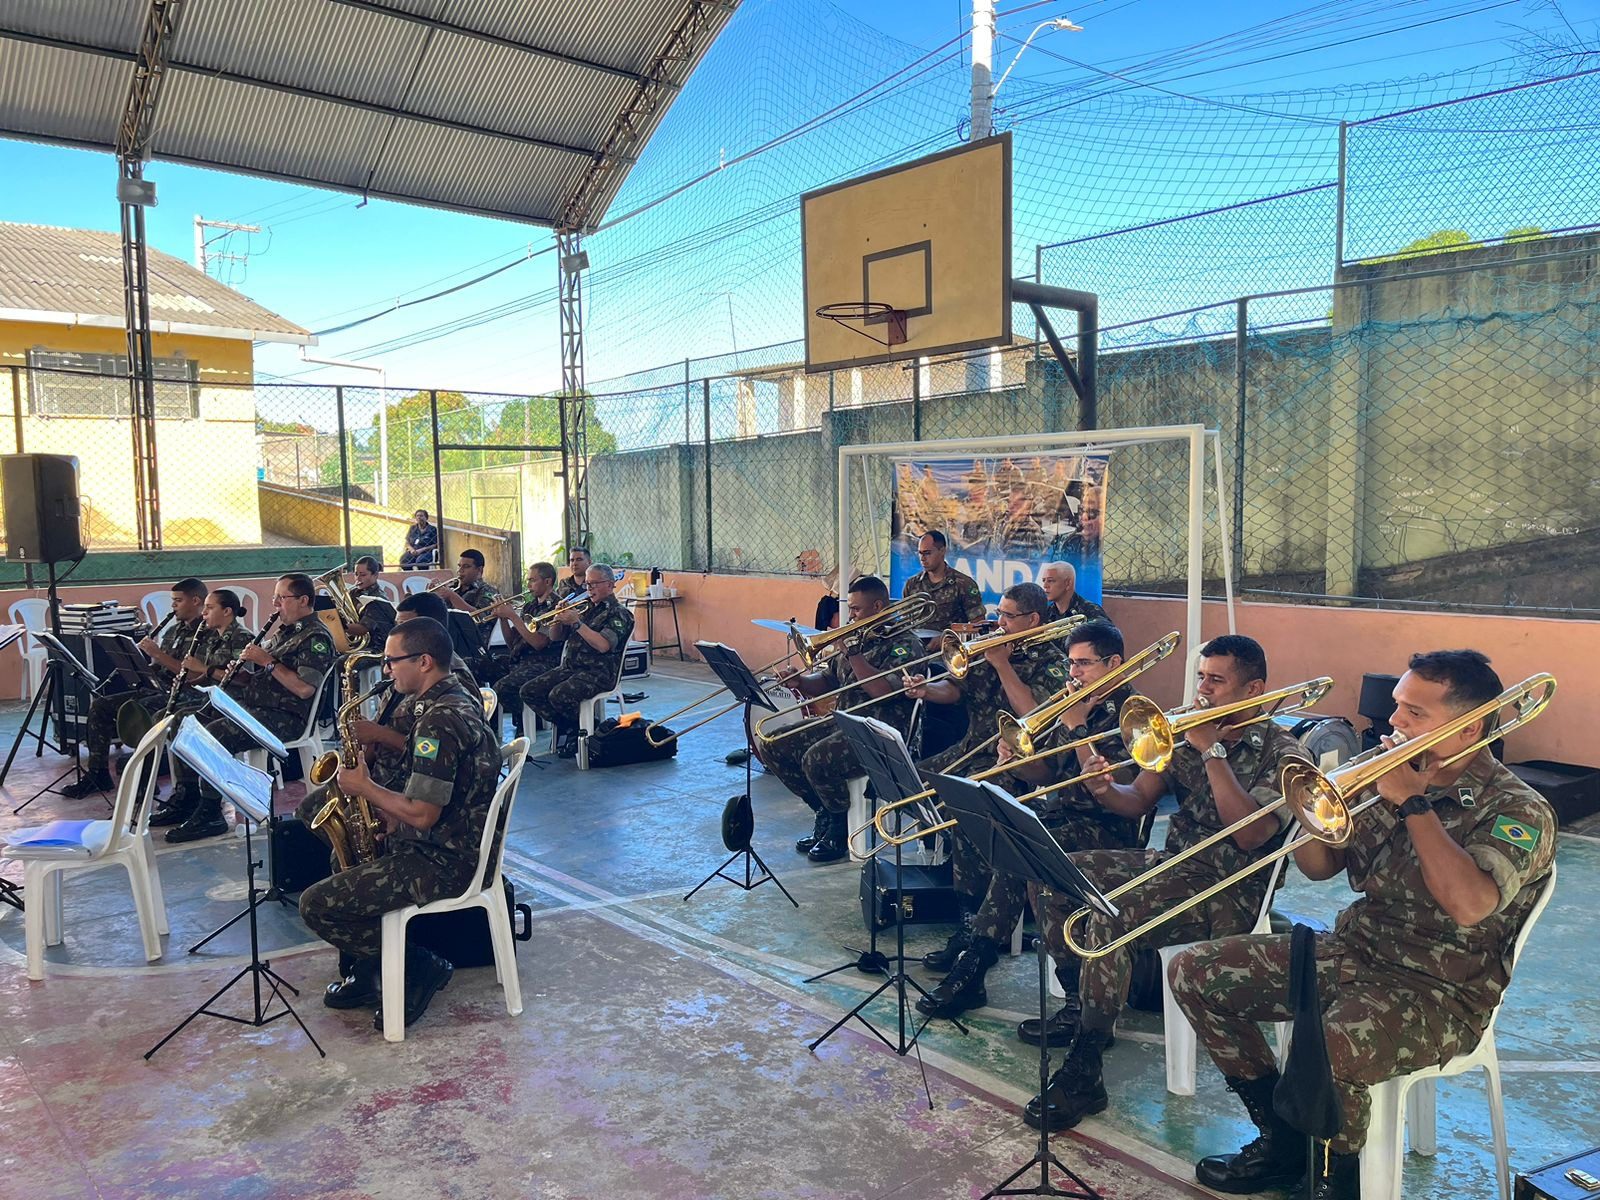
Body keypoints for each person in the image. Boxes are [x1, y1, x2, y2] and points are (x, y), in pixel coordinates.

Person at [1169, 650, 1557, 1200]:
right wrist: (1309, 811)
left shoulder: (1517, 808)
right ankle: (1282, 1141)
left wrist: (1414, 804)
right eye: (1398, 706)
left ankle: (1336, 1181)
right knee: (1193, 973)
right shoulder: (1387, 772)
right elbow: (1321, 867)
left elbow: (1470, 905)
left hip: (1440, 990)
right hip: (1355, 950)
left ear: (1469, 727)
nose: (1394, 721)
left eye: (1415, 713)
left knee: (1330, 1046)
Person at [1023, 634, 1304, 1133]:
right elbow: (1136, 801)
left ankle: (1086, 1064)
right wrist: (1103, 787)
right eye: (1201, 677)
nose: (1203, 690)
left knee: (1111, 916)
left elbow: (1250, 834)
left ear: (1253, 689)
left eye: (1216, 681)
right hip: (1170, 865)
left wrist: (1212, 751)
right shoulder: (1188, 733)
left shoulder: (1283, 754)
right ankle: (1082, 1005)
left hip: (1226, 890)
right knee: (1053, 876)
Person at [917, 621, 1146, 1019]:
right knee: (996, 829)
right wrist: (1018, 761)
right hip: (1061, 815)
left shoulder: (1134, 714)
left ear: (1113, 663)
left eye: (1084, 664)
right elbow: (1049, 773)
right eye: (1071, 663)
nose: (1073, 673)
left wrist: (1078, 726)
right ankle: (975, 954)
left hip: (1106, 827)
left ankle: (1056, 991)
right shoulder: (1077, 701)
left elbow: (1115, 788)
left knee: (1026, 856)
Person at [298, 617, 502, 1031]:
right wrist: (391, 814)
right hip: (445, 842)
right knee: (343, 863)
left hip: (444, 860)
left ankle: (416, 965)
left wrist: (366, 787)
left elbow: (423, 814)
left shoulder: (439, 721)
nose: (387, 670)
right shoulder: (448, 702)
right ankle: (372, 972)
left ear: (424, 661)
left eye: (393, 661)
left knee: (316, 905)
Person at [903, 582, 1070, 969]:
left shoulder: (1053, 662)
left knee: (968, 807)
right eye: (999, 614)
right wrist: (926, 690)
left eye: (1008, 616)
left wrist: (1002, 665)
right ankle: (965, 894)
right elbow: (955, 690)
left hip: (1019, 764)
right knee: (916, 780)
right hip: (973, 747)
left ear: (1033, 619)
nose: (999, 622)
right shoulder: (991, 645)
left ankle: (974, 922)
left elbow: (1033, 715)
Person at [159, 574, 336, 843]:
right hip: (258, 707)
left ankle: (211, 813)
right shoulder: (286, 632)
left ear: (303, 600)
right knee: (188, 721)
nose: (275, 604)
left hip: (286, 717)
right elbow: (262, 676)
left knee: (212, 735)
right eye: (275, 598)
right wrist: (244, 671)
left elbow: (304, 689)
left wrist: (267, 661)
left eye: (282, 598)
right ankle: (189, 797)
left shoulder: (315, 636)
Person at [760, 576, 925, 863]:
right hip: (844, 720)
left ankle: (839, 827)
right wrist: (800, 682)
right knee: (773, 744)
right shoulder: (858, 638)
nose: (851, 617)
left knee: (815, 759)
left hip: (879, 732)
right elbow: (828, 680)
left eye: (857, 610)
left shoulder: (905, 644)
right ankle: (824, 811)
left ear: (878, 606)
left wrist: (854, 654)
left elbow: (882, 691)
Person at [62, 577, 208, 798]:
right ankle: (98, 774)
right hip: (160, 688)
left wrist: (157, 654)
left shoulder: (206, 633)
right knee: (101, 705)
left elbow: (194, 673)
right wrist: (138, 665)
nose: (173, 606)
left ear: (196, 601)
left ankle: (145, 782)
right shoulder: (173, 631)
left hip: (187, 693)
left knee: (142, 709)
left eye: (178, 601)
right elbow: (161, 667)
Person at [519, 563, 633, 758]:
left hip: (598, 673)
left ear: (609, 584)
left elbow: (603, 645)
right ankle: (577, 727)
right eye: (587, 584)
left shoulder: (619, 614)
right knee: (529, 691)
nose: (589, 589)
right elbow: (555, 637)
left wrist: (576, 623)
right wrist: (558, 617)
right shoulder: (584, 609)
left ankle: (577, 731)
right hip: (571, 668)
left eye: (594, 584)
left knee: (558, 695)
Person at [490, 562, 566, 737]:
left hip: (544, 662)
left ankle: (527, 722)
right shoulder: (530, 606)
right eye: (528, 580)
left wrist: (513, 616)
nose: (528, 585)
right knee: (480, 667)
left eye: (533, 580)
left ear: (547, 581)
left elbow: (539, 643)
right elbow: (512, 643)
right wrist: (503, 619)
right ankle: (491, 726)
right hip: (522, 660)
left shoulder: (556, 607)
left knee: (502, 687)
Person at [902, 531, 985, 631]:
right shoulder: (912, 585)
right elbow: (904, 624)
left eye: (927, 553)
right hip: (917, 640)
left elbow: (978, 625)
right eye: (920, 553)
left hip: (951, 640)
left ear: (942, 551)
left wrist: (950, 637)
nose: (922, 558)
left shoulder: (963, 584)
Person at [344, 556, 396, 649]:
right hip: (357, 644)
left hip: (377, 647)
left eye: (363, 575)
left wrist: (338, 626)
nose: (358, 578)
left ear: (375, 575)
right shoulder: (353, 593)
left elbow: (362, 629)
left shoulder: (377, 599)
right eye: (356, 574)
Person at [1040, 561, 1108, 626]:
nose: (1045, 586)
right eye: (1043, 580)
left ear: (1068, 583)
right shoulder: (1046, 613)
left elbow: (1108, 633)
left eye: (1050, 581)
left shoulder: (1090, 611)